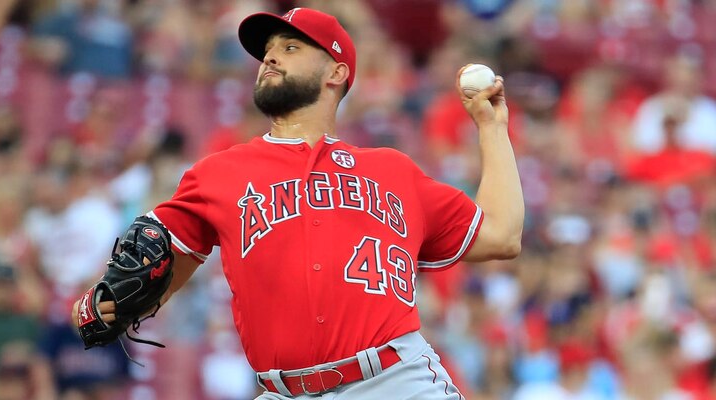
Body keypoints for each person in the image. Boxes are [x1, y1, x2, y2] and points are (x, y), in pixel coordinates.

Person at [72, 7, 523, 399]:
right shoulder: (217, 173)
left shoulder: (393, 171)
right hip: (281, 391)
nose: (269, 56)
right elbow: (151, 265)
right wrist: (103, 303)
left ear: (336, 72)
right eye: (268, 50)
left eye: (290, 48)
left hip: (394, 381)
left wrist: (492, 127)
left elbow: (502, 235)